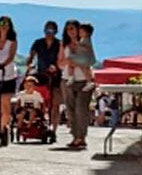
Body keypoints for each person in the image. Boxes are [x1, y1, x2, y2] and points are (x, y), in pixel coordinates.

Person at [62, 20, 98, 151]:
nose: (70, 32)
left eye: (73, 28)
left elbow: (88, 60)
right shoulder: (65, 45)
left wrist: (76, 61)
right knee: (70, 110)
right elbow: (61, 61)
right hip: (67, 78)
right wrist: (71, 61)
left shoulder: (84, 43)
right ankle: (75, 136)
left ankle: (81, 137)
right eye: (68, 29)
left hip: (83, 79)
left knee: (81, 110)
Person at [23, 20, 62, 135]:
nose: (48, 33)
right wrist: (30, 64)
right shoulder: (38, 43)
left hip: (55, 77)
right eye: (47, 30)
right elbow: (31, 57)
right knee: (39, 101)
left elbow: (62, 59)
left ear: (55, 32)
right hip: (41, 76)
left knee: (55, 104)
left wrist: (56, 67)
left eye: (51, 30)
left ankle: (53, 129)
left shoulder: (59, 44)